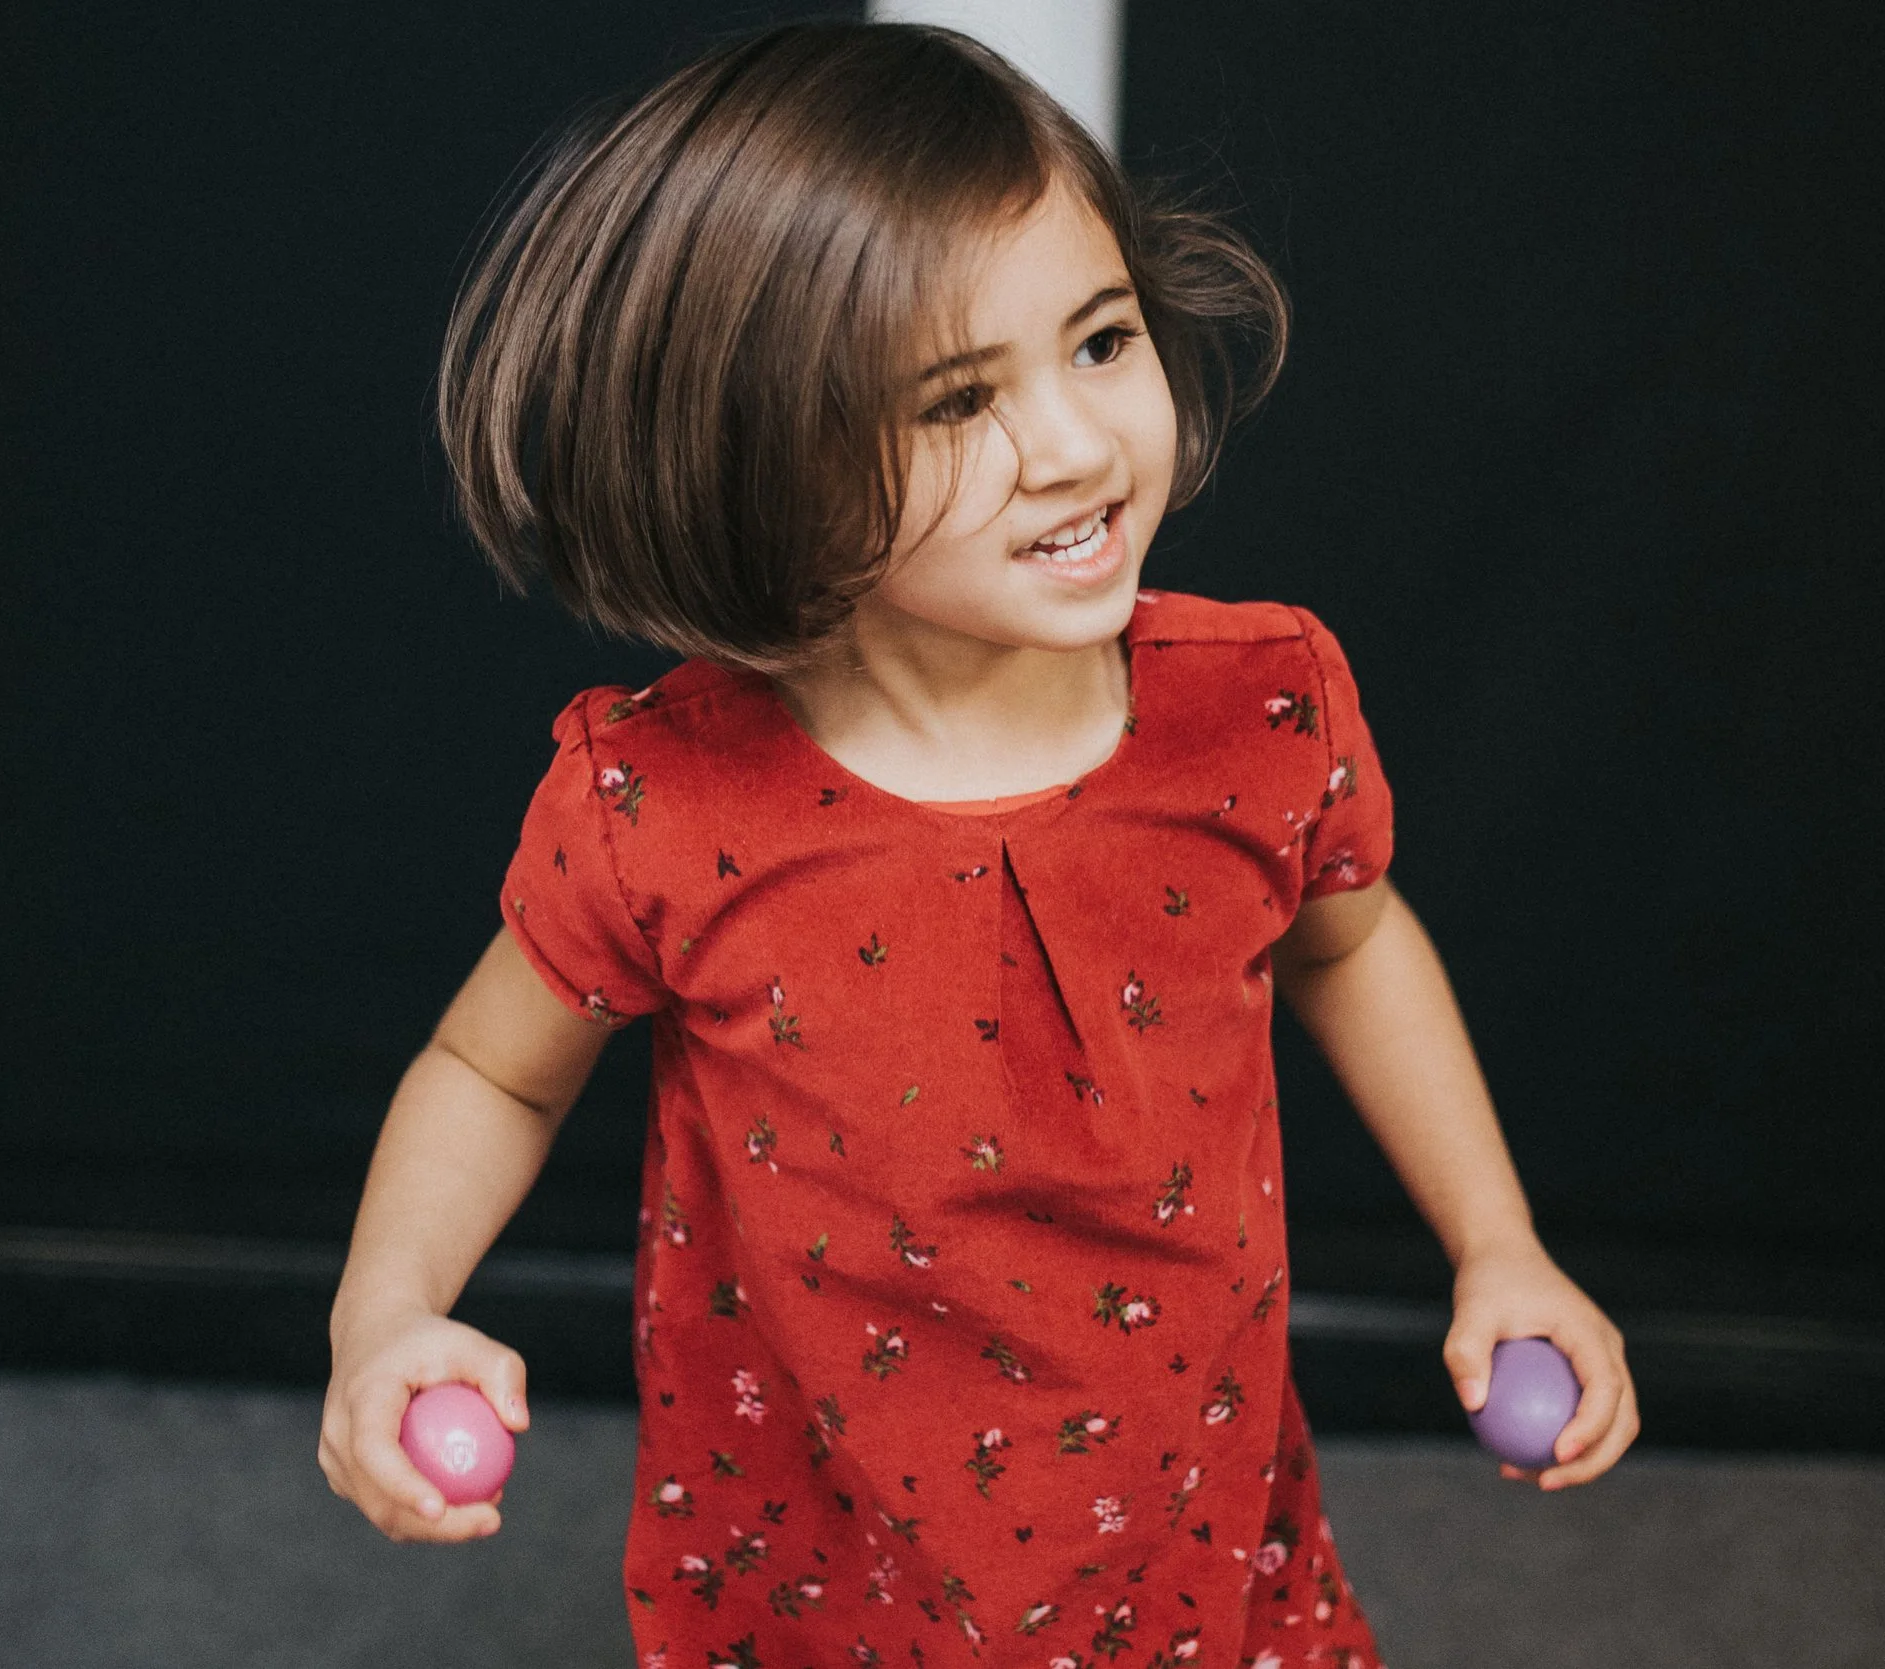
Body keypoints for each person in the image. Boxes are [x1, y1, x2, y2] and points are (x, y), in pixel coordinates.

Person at [318, 20, 1637, 1666]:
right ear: (763, 458)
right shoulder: (664, 809)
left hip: (1182, 1490)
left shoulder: (1260, 710)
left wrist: (1498, 1246)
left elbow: (1354, 941)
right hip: (828, 1533)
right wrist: (383, 1315)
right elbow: (493, 1071)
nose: (1076, 447)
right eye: (956, 401)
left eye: (1098, 341)